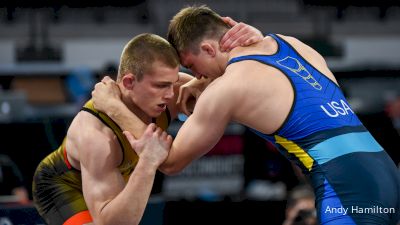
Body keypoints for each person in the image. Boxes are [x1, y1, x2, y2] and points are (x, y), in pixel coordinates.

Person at [92, 5, 400, 225]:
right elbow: (259, 75)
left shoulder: (226, 90)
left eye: (192, 66)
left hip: (344, 186)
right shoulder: (292, 43)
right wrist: (201, 82)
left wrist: (112, 107)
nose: (196, 76)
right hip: (384, 171)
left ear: (210, 49)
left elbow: (169, 161)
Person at [32, 21, 262, 225]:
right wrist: (148, 163)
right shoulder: (96, 136)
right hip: (63, 184)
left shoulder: (174, 88)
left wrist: (251, 42)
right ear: (130, 81)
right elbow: (113, 223)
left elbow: (238, 84)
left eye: (173, 82)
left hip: (113, 172)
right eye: (161, 86)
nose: (171, 94)